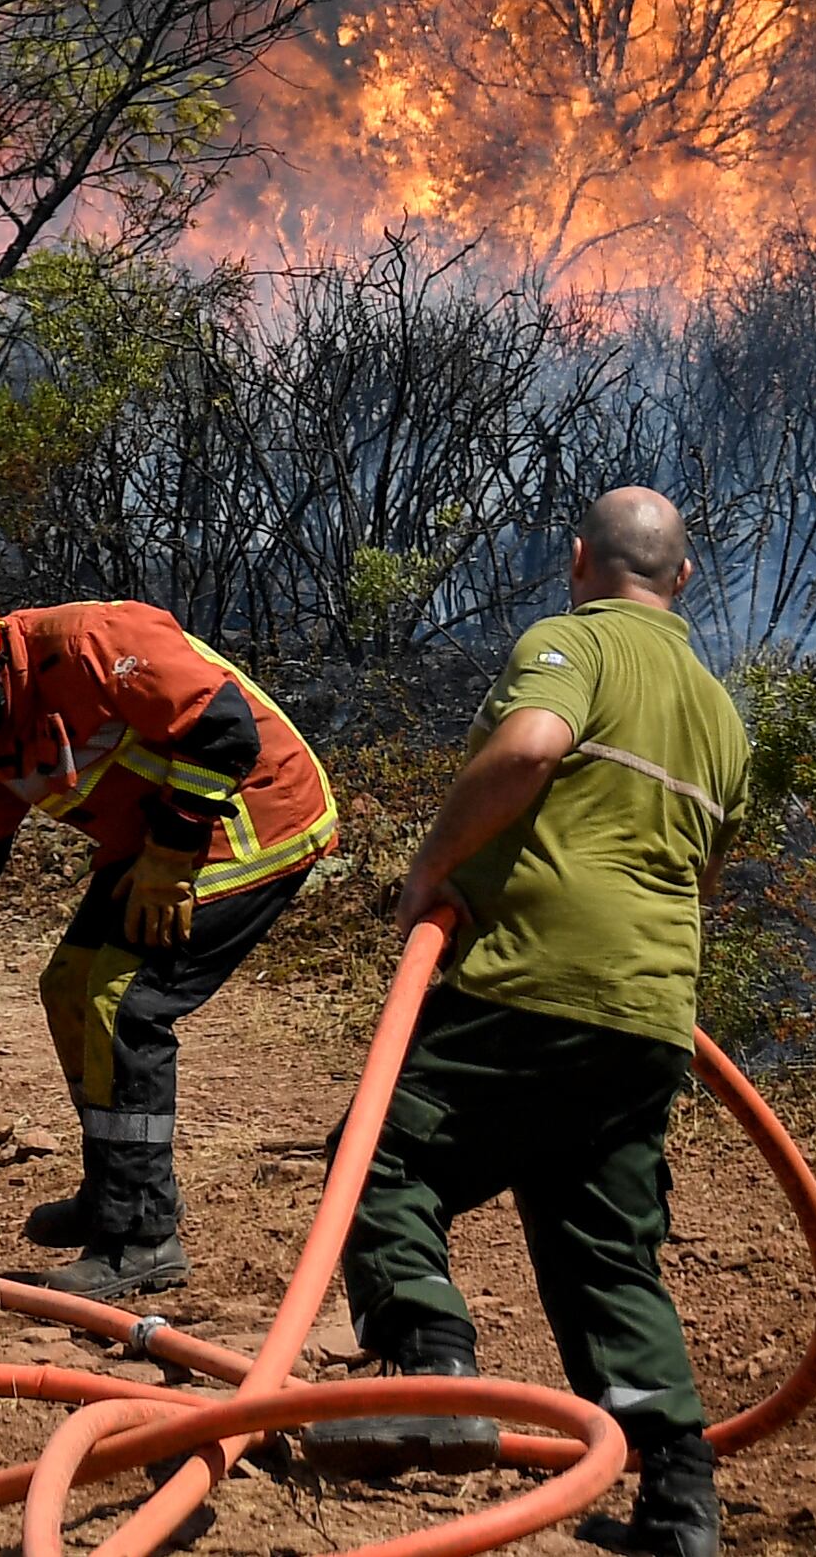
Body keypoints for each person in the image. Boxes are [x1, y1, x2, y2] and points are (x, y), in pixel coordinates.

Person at [315, 485, 753, 1557]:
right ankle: (679, 1503)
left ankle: (432, 1367)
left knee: (376, 1156)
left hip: (529, 979)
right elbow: (701, 872)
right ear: (682, 578)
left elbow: (529, 746)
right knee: (603, 1245)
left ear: (576, 562)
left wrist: (431, 869)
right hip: (650, 1010)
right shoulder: (721, 711)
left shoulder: (573, 641)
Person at [0, 591, 340, 1298]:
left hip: (254, 814)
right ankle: (115, 1191)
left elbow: (223, 730)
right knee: (67, 987)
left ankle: (143, 1237)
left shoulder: (94, 642)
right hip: (154, 842)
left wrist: (171, 857)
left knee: (121, 1000)